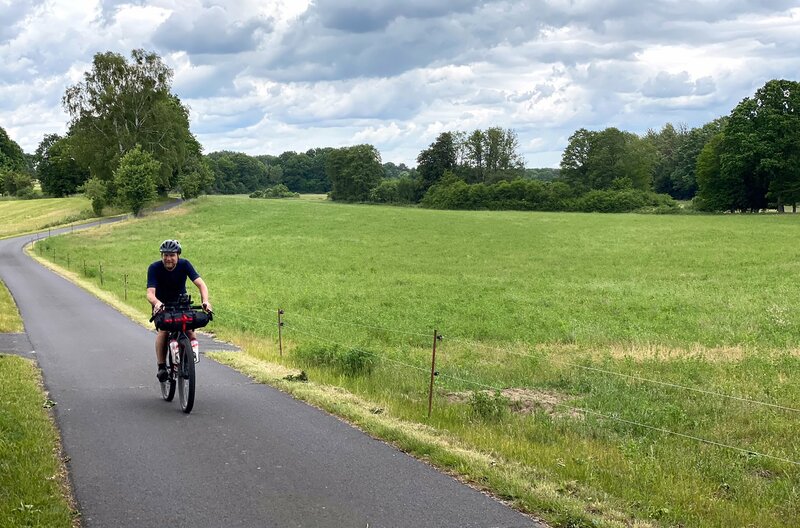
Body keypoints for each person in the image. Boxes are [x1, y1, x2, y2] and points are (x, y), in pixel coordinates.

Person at [146, 239, 212, 382]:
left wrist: (205, 301)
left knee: (190, 330)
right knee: (163, 331)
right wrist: (156, 303)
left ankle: (187, 360)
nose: (168, 258)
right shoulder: (154, 268)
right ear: (161, 255)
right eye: (165, 255)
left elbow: (201, 284)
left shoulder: (185, 265)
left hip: (181, 304)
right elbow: (150, 293)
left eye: (172, 255)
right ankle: (162, 366)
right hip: (162, 305)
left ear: (178, 255)